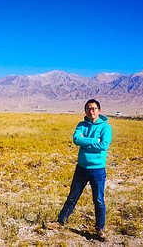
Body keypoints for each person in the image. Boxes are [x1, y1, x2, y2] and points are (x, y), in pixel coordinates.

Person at [46, 99, 112, 241]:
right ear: (85, 111)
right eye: (89, 109)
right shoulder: (81, 125)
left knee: (99, 200)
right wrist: (95, 141)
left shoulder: (106, 128)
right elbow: (76, 140)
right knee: (72, 197)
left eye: (94, 109)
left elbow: (104, 145)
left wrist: (85, 142)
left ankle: (100, 229)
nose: (91, 111)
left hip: (98, 170)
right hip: (81, 168)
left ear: (99, 111)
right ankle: (60, 222)